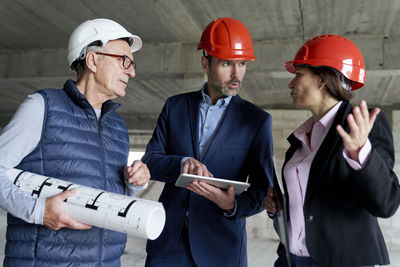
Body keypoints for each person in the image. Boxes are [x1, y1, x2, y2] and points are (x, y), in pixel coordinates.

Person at [0, 18, 150, 266]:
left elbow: (109, 199)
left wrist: (133, 184)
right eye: (124, 60)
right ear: (92, 60)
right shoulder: (42, 107)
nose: (132, 71)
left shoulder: (118, 128)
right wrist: (38, 211)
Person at [141, 17, 275, 267]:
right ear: (206, 62)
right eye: (227, 64)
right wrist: (182, 164)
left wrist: (232, 204)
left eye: (242, 64)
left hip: (221, 248)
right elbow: (150, 161)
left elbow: (262, 191)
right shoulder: (175, 106)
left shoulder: (256, 121)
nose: (237, 75)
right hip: (168, 243)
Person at [264, 34, 400, 267]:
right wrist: (281, 205)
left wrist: (361, 154)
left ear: (322, 79)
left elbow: (386, 203)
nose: (291, 83)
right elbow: (316, 200)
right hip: (292, 260)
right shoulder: (300, 139)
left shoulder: (362, 125)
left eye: (298, 74)